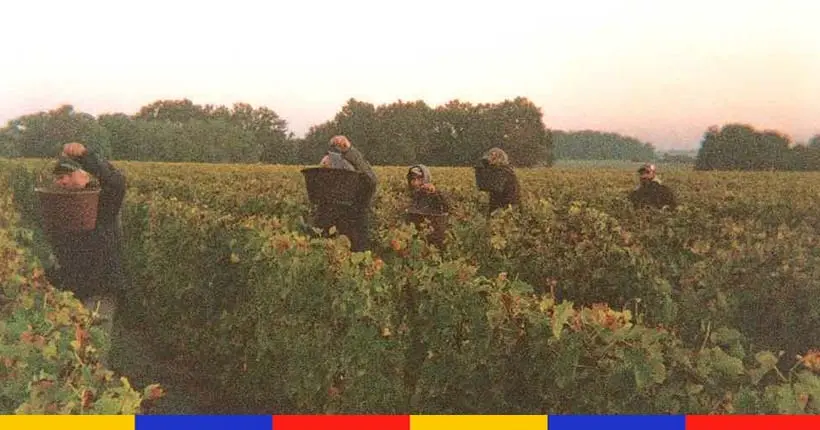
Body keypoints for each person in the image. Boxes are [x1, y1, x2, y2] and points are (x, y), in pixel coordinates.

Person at [44, 142, 127, 365]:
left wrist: (85, 156)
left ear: (83, 175)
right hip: (72, 289)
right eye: (58, 177)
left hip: (99, 288)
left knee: (94, 354)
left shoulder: (102, 203)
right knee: (71, 353)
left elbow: (117, 182)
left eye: (68, 174)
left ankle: (95, 393)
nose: (62, 180)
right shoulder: (61, 207)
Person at [312, 135, 377, 252]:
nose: (324, 176)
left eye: (328, 169)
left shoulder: (358, 200)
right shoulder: (324, 205)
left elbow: (371, 179)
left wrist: (348, 150)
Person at [405, 164, 449, 247]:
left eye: (420, 179)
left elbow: (445, 208)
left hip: (431, 242)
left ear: (426, 179)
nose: (416, 182)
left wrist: (435, 193)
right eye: (413, 179)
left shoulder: (434, 194)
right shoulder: (410, 196)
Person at [476, 147, 520, 215]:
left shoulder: (504, 172)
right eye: (490, 155)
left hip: (507, 206)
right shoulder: (500, 170)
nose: (490, 158)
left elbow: (491, 186)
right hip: (500, 204)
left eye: (493, 156)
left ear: (500, 158)